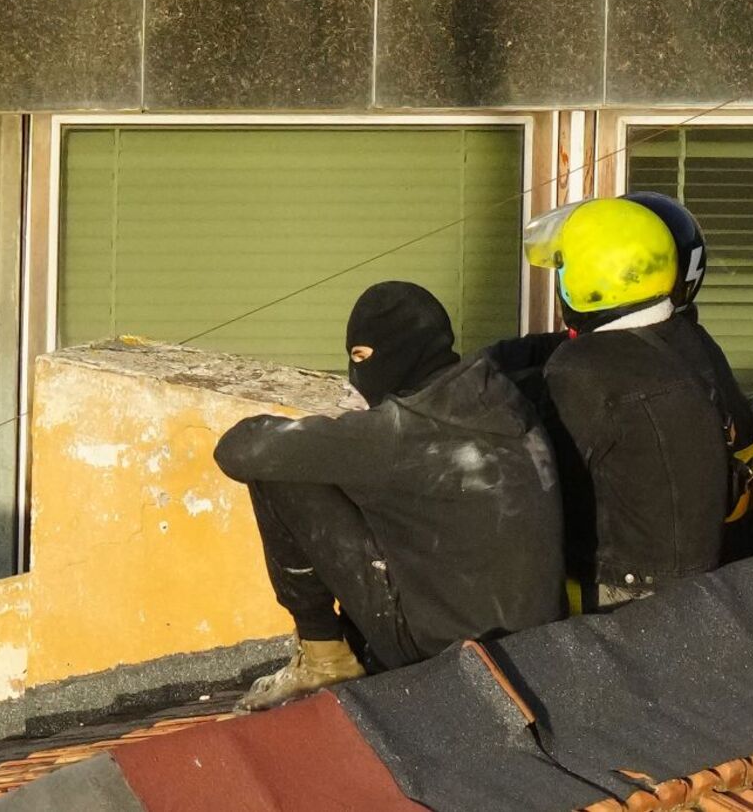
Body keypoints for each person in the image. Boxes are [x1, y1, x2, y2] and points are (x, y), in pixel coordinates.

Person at [213, 280, 563, 708]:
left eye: (360, 357)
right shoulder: (501, 397)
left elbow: (239, 450)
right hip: (538, 645)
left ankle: (324, 657)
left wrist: (332, 440)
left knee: (278, 471)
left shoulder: (398, 433)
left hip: (442, 654)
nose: (355, 372)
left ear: (402, 353)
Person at [498, 195, 751, 611]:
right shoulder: (688, 341)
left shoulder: (583, 370)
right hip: (705, 574)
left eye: (564, 269)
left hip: (620, 592)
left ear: (590, 279)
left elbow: (534, 480)